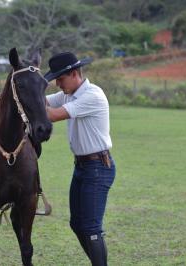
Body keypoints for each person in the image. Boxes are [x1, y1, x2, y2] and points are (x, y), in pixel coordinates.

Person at [44, 52, 116, 266]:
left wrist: (29, 105)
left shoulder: (92, 95)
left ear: (74, 74)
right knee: (77, 224)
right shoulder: (69, 94)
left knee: (91, 227)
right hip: (83, 167)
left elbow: (53, 115)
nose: (57, 84)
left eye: (60, 78)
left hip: (98, 168)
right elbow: (43, 101)